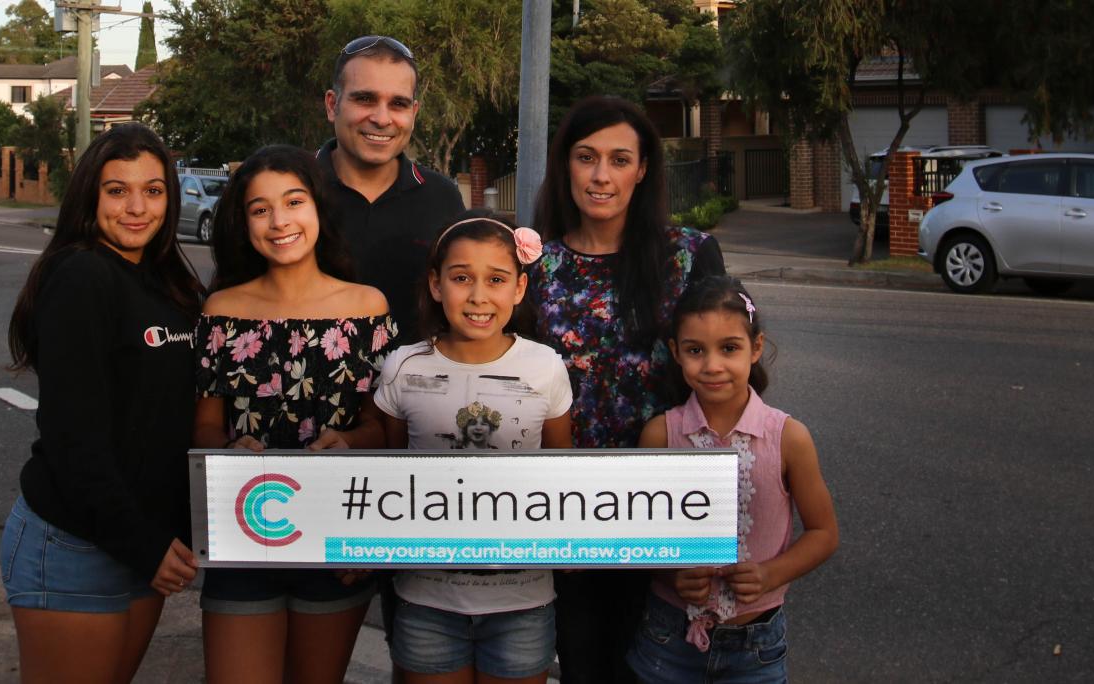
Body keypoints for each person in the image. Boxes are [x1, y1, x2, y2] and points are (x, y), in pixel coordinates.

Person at [527, 95, 727, 683]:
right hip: (563, 511)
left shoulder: (689, 255)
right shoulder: (534, 264)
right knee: (586, 666)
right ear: (566, 164)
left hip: (663, 505)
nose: (600, 176)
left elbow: (724, 384)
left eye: (619, 160)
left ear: (642, 169)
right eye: (586, 157)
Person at [0, 123, 204, 684]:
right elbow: (73, 438)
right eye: (118, 191)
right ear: (91, 195)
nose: (137, 207)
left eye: (154, 190)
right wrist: (142, 543)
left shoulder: (166, 281)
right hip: (77, 546)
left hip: (143, 545)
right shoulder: (82, 275)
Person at [192, 144, 400, 683]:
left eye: (293, 201)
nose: (279, 221)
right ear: (244, 223)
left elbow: (387, 428)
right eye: (260, 209)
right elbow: (208, 424)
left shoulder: (368, 307)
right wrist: (226, 453)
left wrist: (351, 442)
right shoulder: (222, 311)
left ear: (318, 210)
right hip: (242, 535)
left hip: (337, 536)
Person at [339, 212, 574, 683]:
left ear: (520, 289)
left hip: (523, 604)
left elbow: (561, 478)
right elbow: (387, 479)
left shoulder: (545, 367)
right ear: (435, 284)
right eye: (462, 278)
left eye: (496, 279)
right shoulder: (402, 368)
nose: (479, 296)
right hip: (427, 601)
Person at [627, 277, 839, 683]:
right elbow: (637, 536)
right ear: (675, 352)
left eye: (729, 348)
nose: (712, 365)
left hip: (755, 646)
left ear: (755, 347)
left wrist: (770, 574)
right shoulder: (661, 434)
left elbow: (823, 533)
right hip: (667, 638)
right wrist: (671, 573)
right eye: (695, 350)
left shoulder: (788, 438)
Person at [318, 34, 466, 344]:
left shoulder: (442, 198)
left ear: (414, 112)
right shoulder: (290, 193)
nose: (382, 118)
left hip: (413, 389)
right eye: (365, 99)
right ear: (333, 105)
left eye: (397, 104)